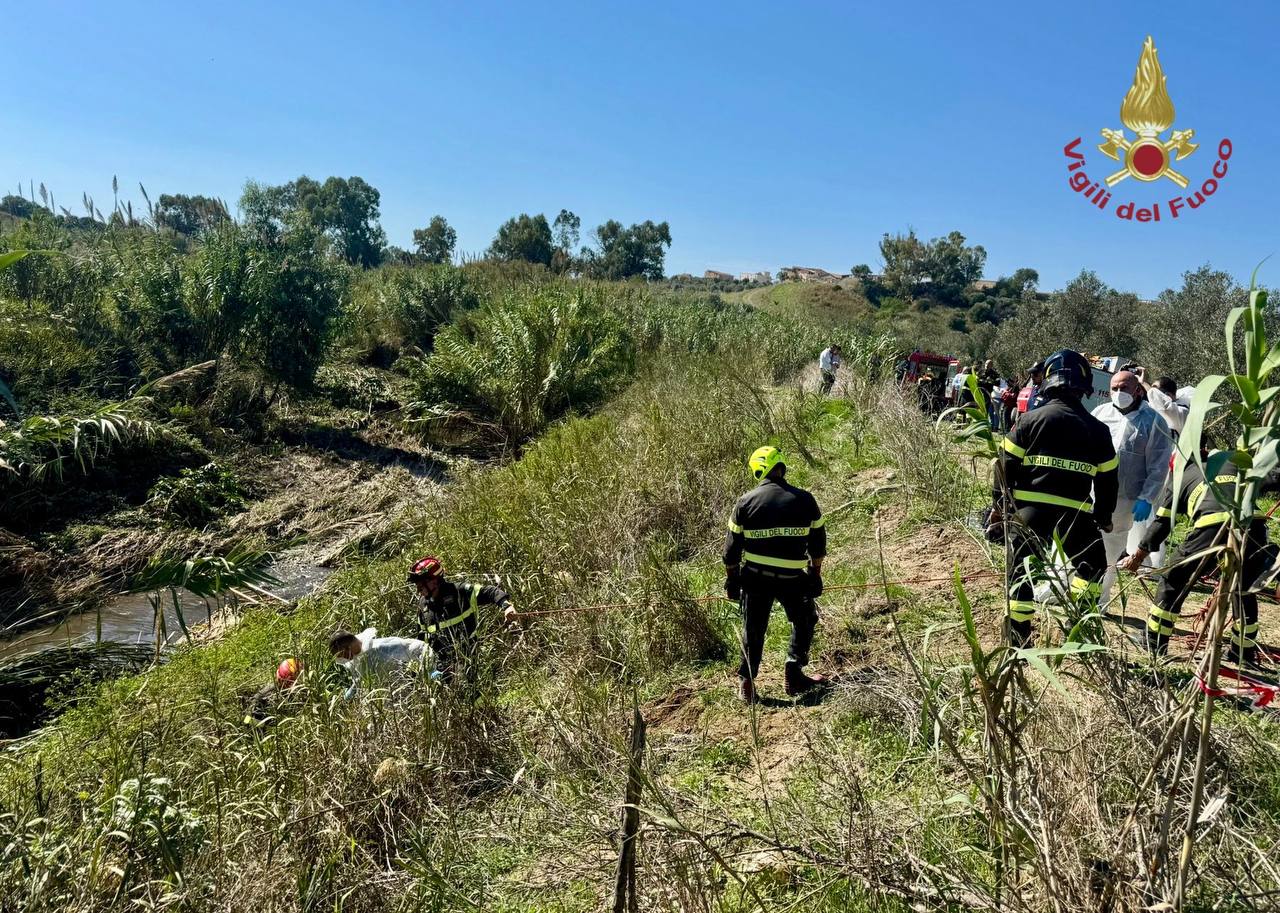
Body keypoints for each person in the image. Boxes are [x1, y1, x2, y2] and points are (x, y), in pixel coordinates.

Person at [995, 350, 1118, 645]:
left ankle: (1017, 638)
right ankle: (1079, 629)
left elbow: (1004, 467)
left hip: (1030, 512)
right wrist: (1103, 516)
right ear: (1084, 387)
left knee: (1022, 571)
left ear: (1048, 381)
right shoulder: (1099, 430)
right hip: (1075, 516)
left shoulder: (1029, 420)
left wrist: (1000, 507)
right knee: (1093, 565)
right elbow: (1108, 480)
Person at [1122, 453, 1268, 664]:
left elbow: (1162, 524)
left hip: (1213, 527)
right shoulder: (1230, 462)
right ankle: (1243, 653)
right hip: (1254, 529)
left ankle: (1153, 640)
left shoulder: (1181, 478)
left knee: (1173, 578)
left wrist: (1137, 557)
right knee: (1242, 588)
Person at [724, 446, 826, 703]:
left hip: (755, 578)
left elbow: (731, 550)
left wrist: (732, 579)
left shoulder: (745, 502)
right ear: (782, 467)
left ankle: (747, 686)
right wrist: (815, 574)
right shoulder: (805, 500)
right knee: (805, 619)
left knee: (753, 630)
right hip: (793, 577)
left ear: (758, 470)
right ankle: (794, 671)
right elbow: (818, 545)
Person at [1090, 370, 1174, 604]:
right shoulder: (1100, 413)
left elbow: (1159, 465)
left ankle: (1100, 599)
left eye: (1123, 388)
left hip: (1125, 499)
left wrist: (1147, 498)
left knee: (1111, 549)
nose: (1118, 393)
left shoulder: (1154, 421)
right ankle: (1062, 588)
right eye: (1114, 388)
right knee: (1081, 542)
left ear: (1137, 390)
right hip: (1093, 491)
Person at [407, 556, 517, 681]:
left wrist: (507, 607)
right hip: (442, 666)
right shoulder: (423, 605)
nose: (418, 590)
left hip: (470, 660)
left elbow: (490, 592)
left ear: (435, 580)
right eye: (417, 585)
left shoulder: (460, 592)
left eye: (421, 585)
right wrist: (414, 667)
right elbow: (421, 639)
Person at [329, 628, 433, 699]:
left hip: (399, 698)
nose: (344, 659)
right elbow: (361, 678)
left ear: (348, 648)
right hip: (377, 705)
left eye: (343, 655)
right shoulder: (356, 658)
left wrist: (431, 669)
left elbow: (419, 647)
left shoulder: (380, 648)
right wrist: (353, 690)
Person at [1136, 369, 1189, 438]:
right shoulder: (1155, 407)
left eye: (1154, 389)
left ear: (1168, 395)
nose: (1151, 391)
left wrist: (1143, 382)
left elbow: (1161, 402)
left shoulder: (1181, 411)